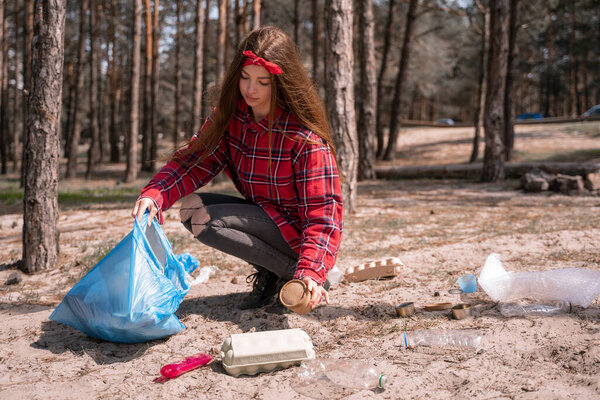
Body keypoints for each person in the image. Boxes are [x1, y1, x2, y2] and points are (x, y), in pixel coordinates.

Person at [132, 26, 343, 311]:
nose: (250, 89)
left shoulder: (305, 140)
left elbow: (323, 216)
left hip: (296, 235)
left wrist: (311, 270)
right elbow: (194, 162)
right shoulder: (232, 118)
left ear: (281, 82)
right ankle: (273, 274)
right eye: (244, 78)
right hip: (264, 218)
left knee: (207, 221)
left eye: (262, 82)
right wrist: (156, 194)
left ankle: (295, 277)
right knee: (190, 208)